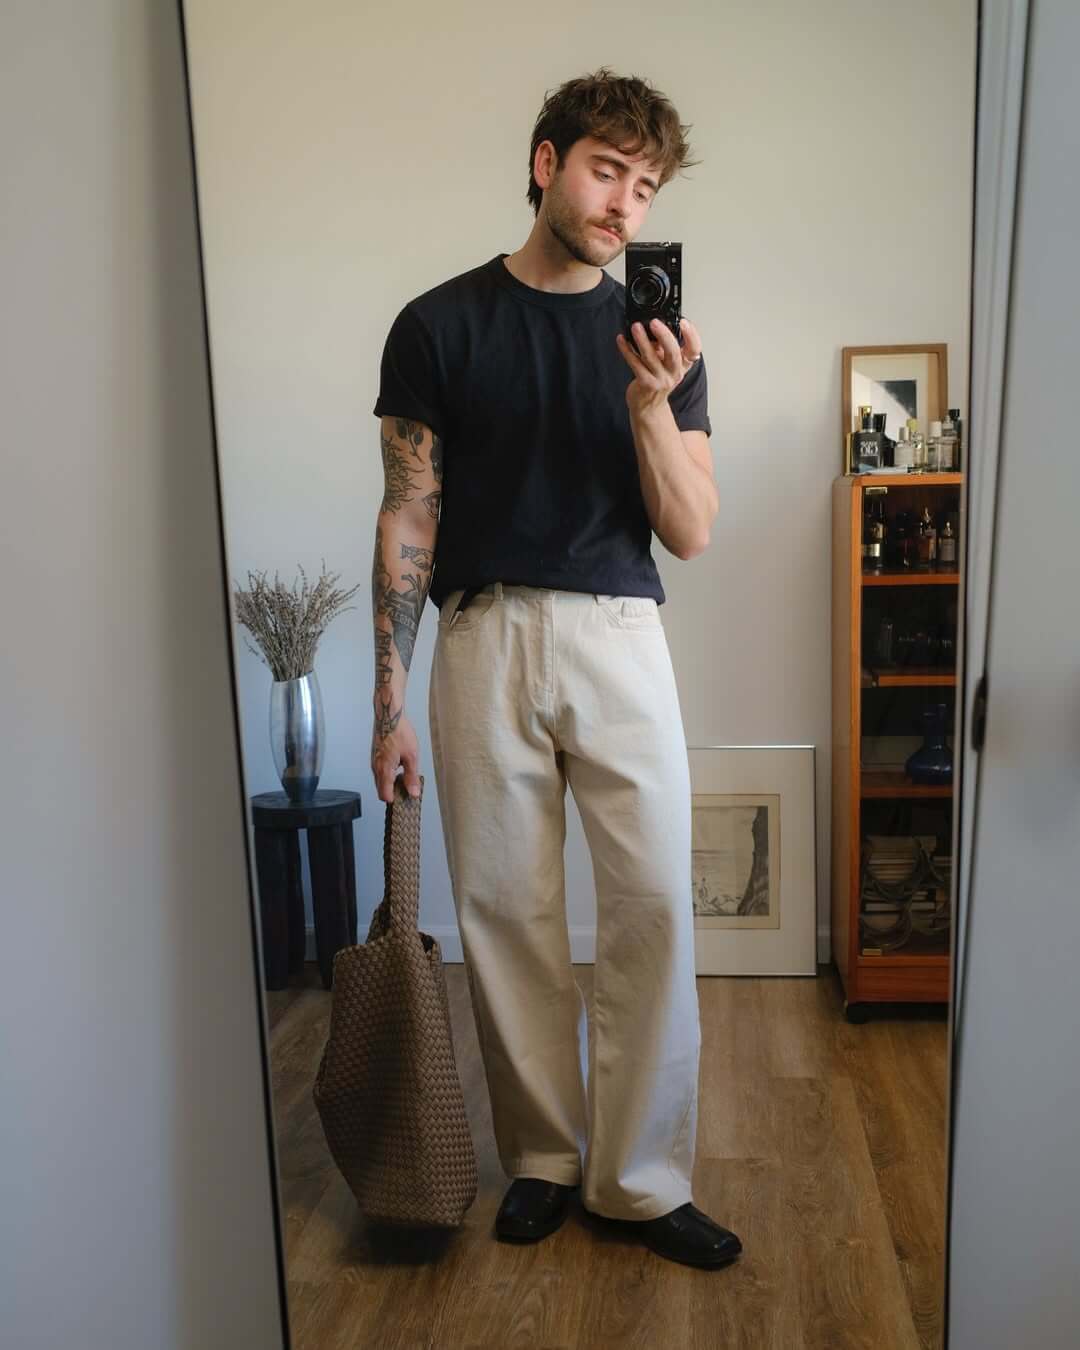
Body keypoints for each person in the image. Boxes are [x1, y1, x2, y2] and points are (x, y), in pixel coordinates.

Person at [369, 67, 741, 1270]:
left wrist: (651, 402)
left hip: (619, 632)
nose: (624, 202)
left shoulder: (666, 346)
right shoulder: (438, 324)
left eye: (645, 185)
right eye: (604, 169)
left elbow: (689, 530)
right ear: (545, 161)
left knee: (648, 909)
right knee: (506, 912)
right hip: (479, 636)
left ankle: (637, 1180)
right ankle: (541, 1155)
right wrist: (389, 697)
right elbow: (408, 511)